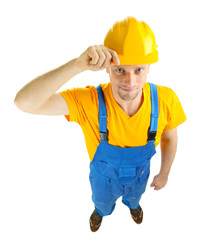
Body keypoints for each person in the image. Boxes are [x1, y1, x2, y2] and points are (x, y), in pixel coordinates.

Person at [14, 17, 186, 232]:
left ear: (149, 67)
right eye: (120, 70)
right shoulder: (90, 101)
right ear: (107, 68)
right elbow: (24, 102)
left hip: (140, 176)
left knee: (135, 196)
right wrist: (76, 65)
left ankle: (133, 206)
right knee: (102, 202)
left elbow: (171, 137)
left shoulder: (166, 99)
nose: (130, 82)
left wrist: (165, 173)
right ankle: (101, 212)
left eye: (139, 70)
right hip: (103, 180)